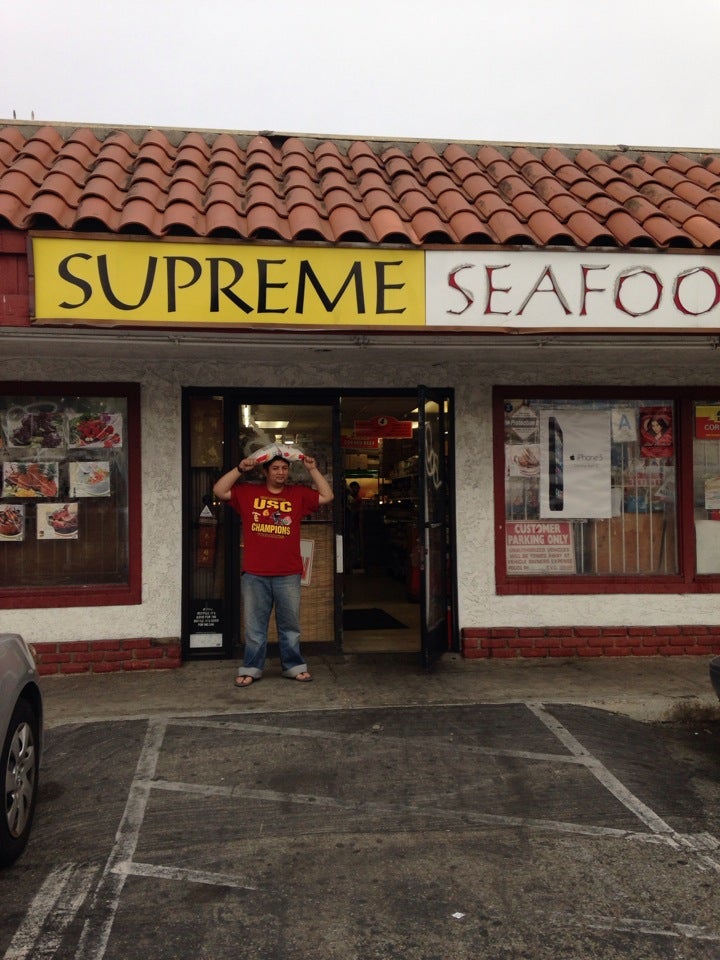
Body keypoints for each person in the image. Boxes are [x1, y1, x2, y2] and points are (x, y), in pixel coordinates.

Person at [213, 451, 333, 687]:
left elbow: (327, 496)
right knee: (255, 627)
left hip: (288, 572)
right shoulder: (248, 492)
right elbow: (219, 490)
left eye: (284, 468)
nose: (281, 472)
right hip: (255, 573)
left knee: (290, 626)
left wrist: (312, 469)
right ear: (265, 472)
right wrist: (239, 469)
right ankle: (251, 668)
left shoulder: (297, 494)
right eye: (276, 468)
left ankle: (293, 667)